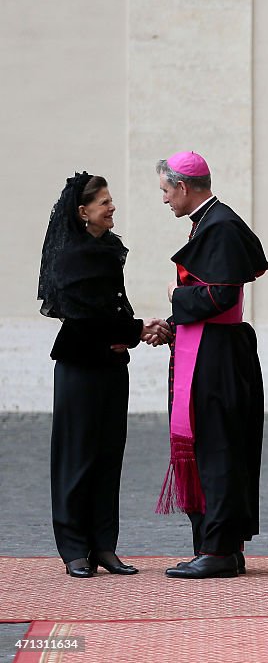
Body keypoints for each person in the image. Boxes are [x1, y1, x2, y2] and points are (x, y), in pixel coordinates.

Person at [38, 173, 171, 578]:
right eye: (104, 202)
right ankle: (74, 549)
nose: (112, 207)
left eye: (111, 201)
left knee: (108, 457)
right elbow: (82, 316)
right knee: (76, 458)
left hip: (111, 367)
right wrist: (136, 330)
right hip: (80, 368)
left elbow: (112, 308)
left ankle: (103, 547)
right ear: (83, 212)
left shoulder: (109, 248)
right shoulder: (71, 255)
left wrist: (135, 329)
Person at [156, 152, 268, 580]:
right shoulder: (214, 222)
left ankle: (220, 549)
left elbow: (220, 296)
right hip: (211, 346)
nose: (164, 199)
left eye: (166, 191)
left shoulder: (220, 225)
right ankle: (218, 545)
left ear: (183, 187)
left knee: (218, 446)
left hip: (217, 354)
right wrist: (170, 324)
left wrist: (174, 296)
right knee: (212, 445)